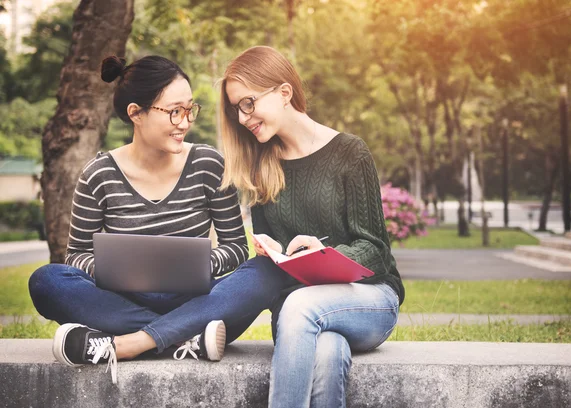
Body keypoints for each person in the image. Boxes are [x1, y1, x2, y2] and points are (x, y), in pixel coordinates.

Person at [29, 55, 289, 384]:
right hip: (130, 301)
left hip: (198, 298)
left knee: (265, 272)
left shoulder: (209, 164)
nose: (184, 122)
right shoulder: (99, 175)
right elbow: (77, 255)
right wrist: (117, 270)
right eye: (174, 111)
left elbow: (236, 247)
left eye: (189, 110)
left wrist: (202, 264)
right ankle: (185, 339)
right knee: (47, 281)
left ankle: (130, 343)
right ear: (135, 113)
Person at [219, 46, 405, 408]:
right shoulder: (262, 169)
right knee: (327, 350)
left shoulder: (350, 152)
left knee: (303, 307)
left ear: (284, 93)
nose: (243, 118)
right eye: (236, 109)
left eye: (248, 103)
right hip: (298, 313)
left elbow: (376, 250)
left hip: (369, 301)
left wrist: (325, 255)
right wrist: (275, 253)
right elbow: (276, 270)